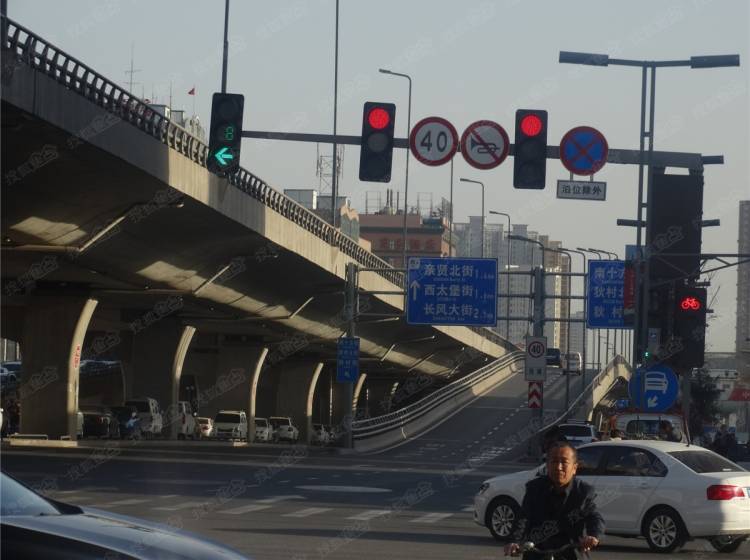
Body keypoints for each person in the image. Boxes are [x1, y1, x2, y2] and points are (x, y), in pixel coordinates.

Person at [505, 442, 604, 559]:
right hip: (536, 550)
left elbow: (594, 517)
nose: (558, 467)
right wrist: (514, 541)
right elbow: (523, 517)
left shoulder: (583, 492)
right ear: (547, 465)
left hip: (569, 550)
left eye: (564, 462)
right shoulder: (534, 488)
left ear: (574, 468)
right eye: (554, 461)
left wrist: (593, 535)